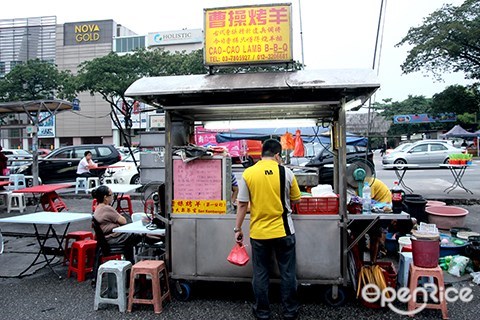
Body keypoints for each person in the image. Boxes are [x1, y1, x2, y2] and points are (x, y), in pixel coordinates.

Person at [234, 139, 301, 320]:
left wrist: (237, 228)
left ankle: (262, 312)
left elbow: (242, 205)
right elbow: (296, 200)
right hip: (284, 231)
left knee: (261, 273)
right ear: (277, 155)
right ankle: (290, 311)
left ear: (262, 154)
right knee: (287, 272)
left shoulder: (248, 173)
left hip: (259, 233)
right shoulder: (286, 172)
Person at [92, 185, 139, 264]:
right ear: (105, 197)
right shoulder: (106, 208)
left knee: (131, 239)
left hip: (105, 238)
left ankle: (130, 263)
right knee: (138, 236)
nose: (113, 197)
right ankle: (132, 263)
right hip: (112, 238)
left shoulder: (98, 208)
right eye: (111, 195)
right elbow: (123, 221)